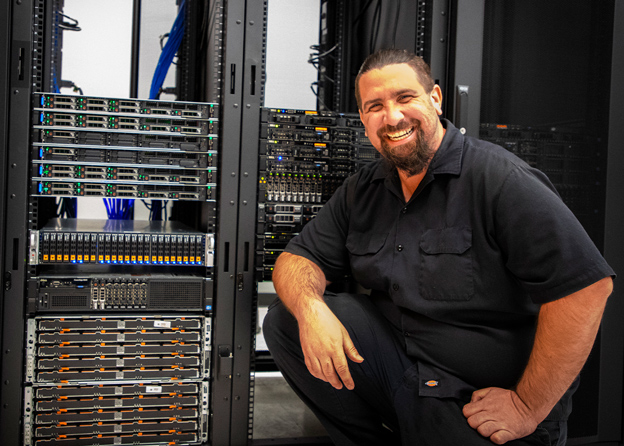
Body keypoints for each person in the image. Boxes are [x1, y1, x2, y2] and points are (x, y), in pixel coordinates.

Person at [262, 48, 614, 446]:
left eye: (404, 98)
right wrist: (310, 311)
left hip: (475, 401)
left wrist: (527, 407)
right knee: (286, 318)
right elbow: (297, 259)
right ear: (363, 119)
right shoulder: (364, 189)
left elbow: (586, 287)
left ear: (435, 98)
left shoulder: (498, 180)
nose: (392, 117)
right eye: (375, 106)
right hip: (406, 377)